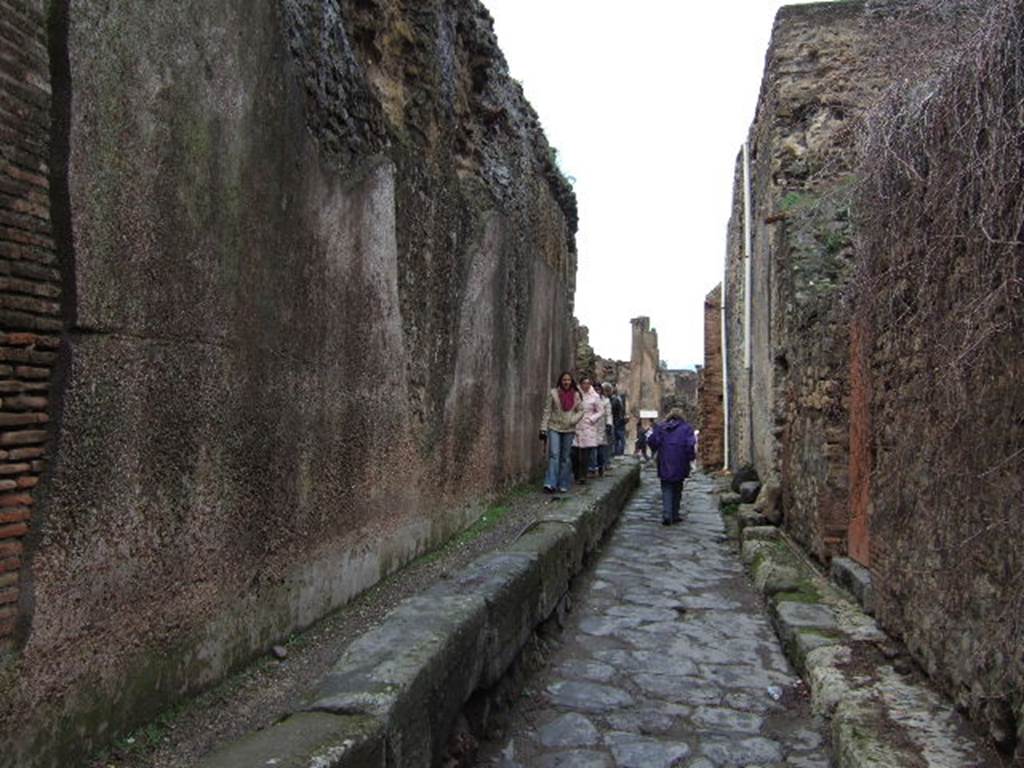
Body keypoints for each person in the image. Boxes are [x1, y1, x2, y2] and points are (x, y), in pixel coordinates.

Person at [646, 408, 697, 525]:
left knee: (666, 487)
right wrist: (691, 458)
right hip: (681, 461)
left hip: (665, 460)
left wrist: (656, 450)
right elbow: (690, 445)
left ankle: (667, 514)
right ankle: (675, 514)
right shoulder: (687, 428)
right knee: (678, 488)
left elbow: (652, 441)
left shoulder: (662, 427)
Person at [540, 371, 583, 493]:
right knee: (554, 455)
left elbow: (581, 410)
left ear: (571, 381)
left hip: (569, 428)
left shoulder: (576, 395)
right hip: (554, 427)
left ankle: (563, 483)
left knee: (565, 457)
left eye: (568, 380)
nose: (566, 382)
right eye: (564, 380)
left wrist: (573, 420)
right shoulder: (553, 393)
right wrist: (543, 428)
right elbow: (547, 411)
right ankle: (550, 483)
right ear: (560, 381)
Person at [574, 376, 604, 484]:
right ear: (580, 384)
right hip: (576, 424)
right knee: (574, 452)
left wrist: (591, 419)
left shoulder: (595, 396)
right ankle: (576, 474)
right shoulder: (576, 394)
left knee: (585, 453)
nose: (586, 385)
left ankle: (583, 475)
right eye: (584, 383)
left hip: (588, 426)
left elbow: (601, 411)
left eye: (588, 383)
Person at [610, 386, 626, 456]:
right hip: (617, 421)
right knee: (619, 438)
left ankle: (618, 452)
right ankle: (618, 452)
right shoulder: (614, 399)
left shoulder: (620, 398)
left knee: (619, 438)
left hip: (620, 421)